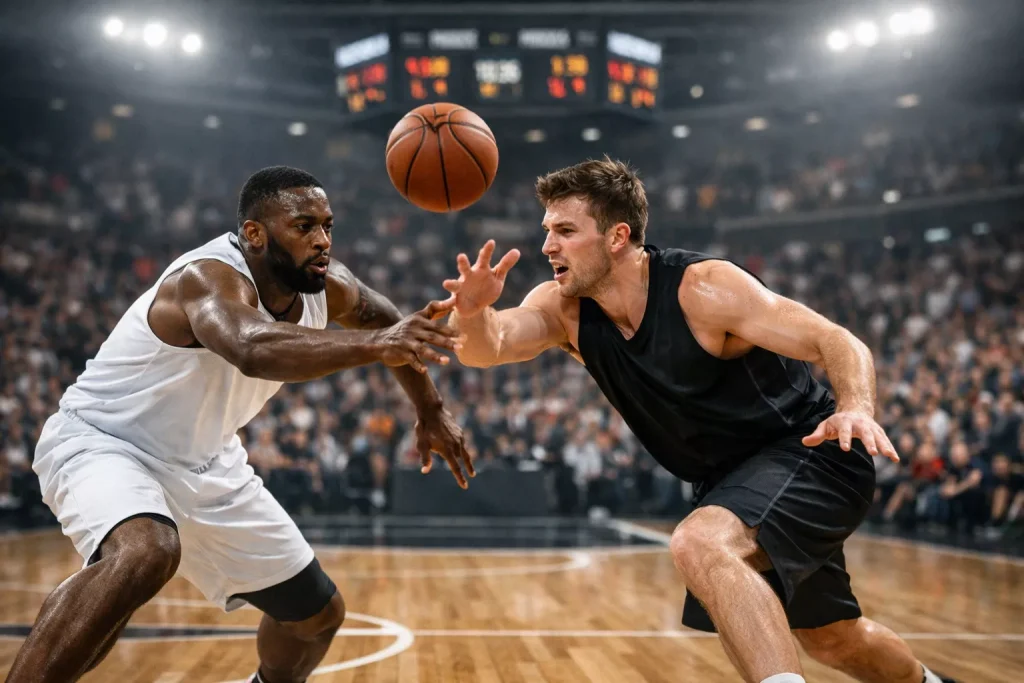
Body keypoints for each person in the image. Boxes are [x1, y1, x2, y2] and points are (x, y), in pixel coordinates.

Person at [442, 157, 954, 683]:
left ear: (618, 236)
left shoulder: (703, 288)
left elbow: (835, 339)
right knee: (832, 638)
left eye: (566, 231)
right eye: (547, 230)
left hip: (810, 452)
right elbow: (490, 347)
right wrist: (473, 310)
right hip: (731, 483)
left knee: (699, 544)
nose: (548, 245)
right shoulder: (563, 308)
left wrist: (856, 408)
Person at [9, 166, 474, 683]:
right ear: (255, 233)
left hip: (207, 462)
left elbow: (388, 322)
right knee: (147, 551)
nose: (322, 241)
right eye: (303, 226)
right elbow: (252, 347)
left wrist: (429, 409)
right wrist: (375, 348)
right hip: (105, 442)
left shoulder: (328, 285)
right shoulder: (205, 277)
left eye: (327, 225)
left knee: (315, 617)